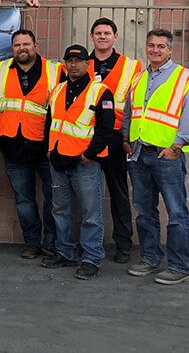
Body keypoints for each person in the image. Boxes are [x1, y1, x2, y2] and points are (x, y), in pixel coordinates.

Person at [122, 29, 189, 285]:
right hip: (139, 154)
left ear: (170, 50)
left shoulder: (184, 78)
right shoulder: (138, 79)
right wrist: (125, 139)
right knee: (144, 212)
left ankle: (179, 267)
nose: (155, 50)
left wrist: (176, 147)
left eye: (160, 46)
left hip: (167, 156)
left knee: (176, 213)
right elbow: (129, 111)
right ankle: (150, 259)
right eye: (151, 45)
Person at [41, 45, 115, 280]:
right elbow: (49, 122)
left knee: (91, 214)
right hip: (58, 160)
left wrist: (90, 155)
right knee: (60, 210)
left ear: (87, 64)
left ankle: (92, 259)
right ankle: (65, 251)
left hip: (84, 163)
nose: (73, 65)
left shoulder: (100, 91)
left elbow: (106, 128)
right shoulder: (58, 89)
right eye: (69, 60)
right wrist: (49, 150)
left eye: (78, 60)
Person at [0, 29, 63, 259]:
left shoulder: (55, 71)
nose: (22, 48)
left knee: (54, 198)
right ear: (12, 49)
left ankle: (51, 242)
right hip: (13, 146)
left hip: (47, 148)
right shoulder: (0, 70)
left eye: (26, 44)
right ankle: (31, 241)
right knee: (24, 200)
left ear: (36, 45)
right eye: (17, 45)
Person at [87, 17, 142, 263]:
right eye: (98, 33)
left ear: (115, 37)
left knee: (118, 192)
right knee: (86, 194)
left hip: (116, 137)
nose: (102, 36)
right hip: (86, 137)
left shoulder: (132, 67)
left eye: (107, 33)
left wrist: (128, 136)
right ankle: (89, 245)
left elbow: (135, 104)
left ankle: (123, 244)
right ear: (92, 37)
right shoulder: (78, 63)